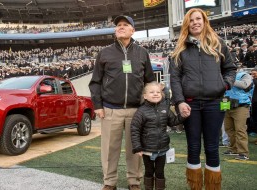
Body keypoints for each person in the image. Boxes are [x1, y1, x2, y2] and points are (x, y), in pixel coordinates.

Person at [169, 8, 237, 190]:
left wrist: (225, 85)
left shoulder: (218, 43)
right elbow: (174, 78)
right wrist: (180, 101)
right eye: (191, 20)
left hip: (215, 103)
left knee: (212, 147)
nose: (195, 22)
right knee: (193, 146)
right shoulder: (180, 49)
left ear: (205, 21)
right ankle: (195, 187)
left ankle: (213, 187)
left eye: (198, 19)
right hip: (190, 104)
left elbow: (230, 69)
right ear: (186, 24)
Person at [89, 15, 155, 190]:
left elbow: (149, 81)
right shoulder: (105, 53)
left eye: (125, 25)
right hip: (111, 109)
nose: (121, 27)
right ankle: (109, 182)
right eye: (118, 25)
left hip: (137, 110)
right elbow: (95, 82)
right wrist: (98, 106)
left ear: (133, 30)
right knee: (110, 150)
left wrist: (149, 105)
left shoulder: (142, 53)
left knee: (135, 149)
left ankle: (134, 181)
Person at [130, 82, 184, 190]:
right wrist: (137, 147)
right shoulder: (141, 111)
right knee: (149, 172)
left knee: (160, 172)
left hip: (162, 149)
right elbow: (135, 129)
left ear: (162, 94)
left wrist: (182, 115)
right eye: (152, 92)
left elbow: (173, 121)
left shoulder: (165, 108)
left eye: (158, 92)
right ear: (145, 96)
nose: (156, 94)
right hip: (147, 149)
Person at [223, 68, 252, 160]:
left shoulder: (244, 75)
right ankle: (233, 148)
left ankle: (243, 152)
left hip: (241, 105)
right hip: (226, 102)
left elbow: (245, 85)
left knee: (240, 129)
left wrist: (230, 80)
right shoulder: (223, 74)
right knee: (228, 128)